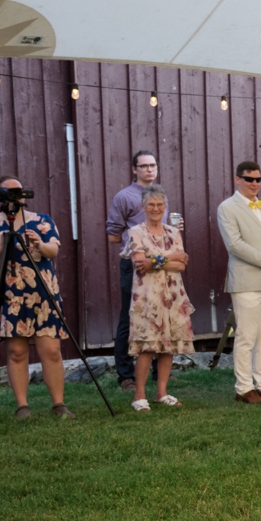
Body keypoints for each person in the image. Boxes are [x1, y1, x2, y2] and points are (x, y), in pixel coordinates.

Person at [0, 175, 74, 420]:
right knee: (16, 351)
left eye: (19, 191)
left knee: (51, 349)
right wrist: (0, 247)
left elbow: (53, 251)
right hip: (7, 296)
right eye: (10, 191)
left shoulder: (42, 221)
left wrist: (38, 244)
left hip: (41, 294)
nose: (16, 196)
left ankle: (59, 404)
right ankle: (22, 406)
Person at [218, 161, 261, 404]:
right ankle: (244, 388)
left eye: (258, 179)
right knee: (246, 336)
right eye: (249, 179)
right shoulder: (227, 207)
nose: (254, 184)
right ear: (237, 179)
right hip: (247, 279)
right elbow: (234, 244)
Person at [123, 185, 195, 411]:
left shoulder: (173, 232)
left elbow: (181, 264)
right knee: (147, 344)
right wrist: (169, 258)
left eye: (159, 205)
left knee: (168, 344)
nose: (155, 208)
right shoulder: (136, 231)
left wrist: (155, 260)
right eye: (151, 205)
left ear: (165, 207)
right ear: (143, 206)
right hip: (147, 296)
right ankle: (139, 395)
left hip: (173, 294)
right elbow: (139, 264)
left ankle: (162, 392)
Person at [105, 150, 157, 391]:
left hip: (159, 261)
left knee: (159, 314)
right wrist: (136, 242)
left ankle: (158, 372)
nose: (149, 169)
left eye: (152, 165)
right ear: (134, 169)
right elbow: (113, 235)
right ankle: (125, 375)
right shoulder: (124, 196)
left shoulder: (158, 194)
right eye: (144, 166)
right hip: (133, 263)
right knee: (129, 315)